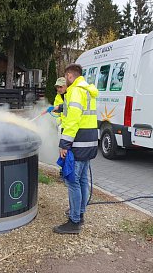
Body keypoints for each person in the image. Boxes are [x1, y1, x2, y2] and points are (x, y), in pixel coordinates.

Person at [53, 63, 98, 234]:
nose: (65, 81)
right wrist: (62, 107)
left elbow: (73, 120)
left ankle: (74, 221)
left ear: (71, 76)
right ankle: (80, 213)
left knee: (72, 182)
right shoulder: (87, 90)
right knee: (83, 181)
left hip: (78, 143)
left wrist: (64, 144)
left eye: (66, 77)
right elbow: (80, 111)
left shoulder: (75, 90)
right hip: (90, 141)